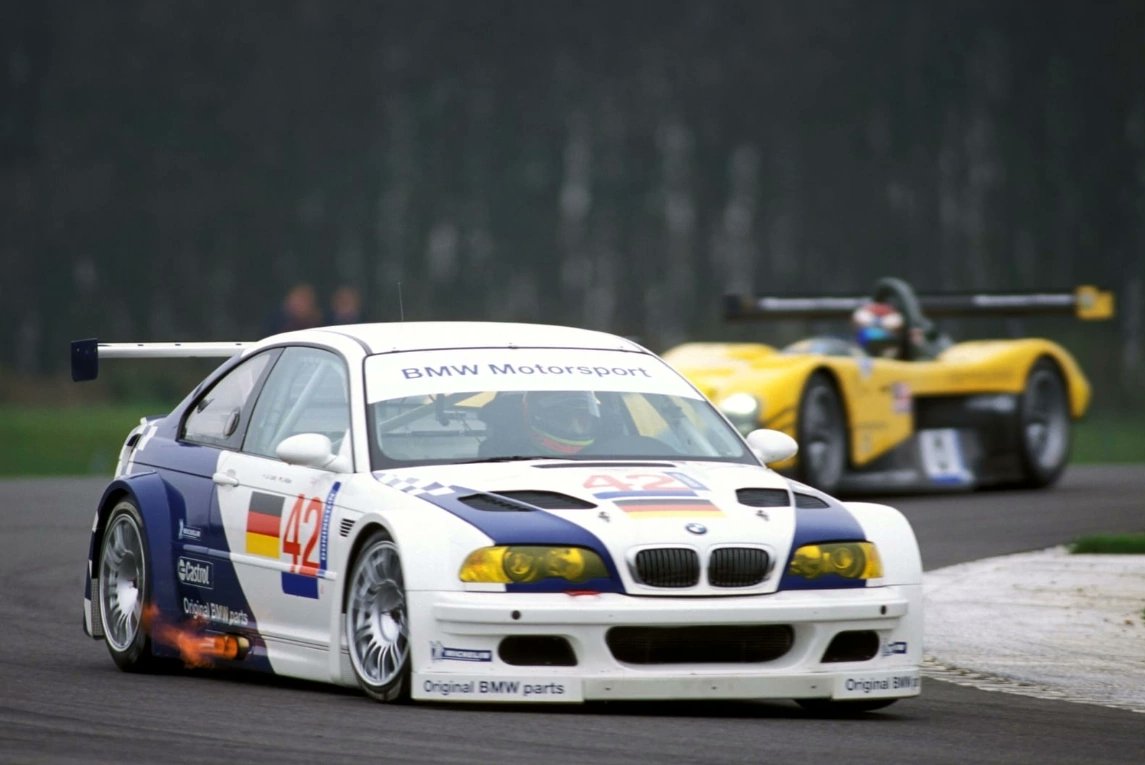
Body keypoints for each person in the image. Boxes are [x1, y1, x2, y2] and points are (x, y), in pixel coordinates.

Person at [479, 391, 601, 457]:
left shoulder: (606, 453)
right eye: (562, 419)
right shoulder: (498, 455)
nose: (576, 429)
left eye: (583, 420)